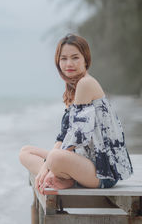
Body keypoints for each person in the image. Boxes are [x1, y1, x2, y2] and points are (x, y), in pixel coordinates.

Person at [19, 34, 133, 194]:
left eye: (75, 58)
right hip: (82, 161)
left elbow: (77, 135)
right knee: (25, 152)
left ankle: (58, 176)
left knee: (54, 158)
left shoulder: (86, 83)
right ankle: (60, 178)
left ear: (85, 60)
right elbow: (64, 136)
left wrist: (48, 165)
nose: (69, 64)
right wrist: (49, 165)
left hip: (102, 172)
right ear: (58, 62)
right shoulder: (74, 88)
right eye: (63, 58)